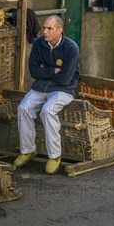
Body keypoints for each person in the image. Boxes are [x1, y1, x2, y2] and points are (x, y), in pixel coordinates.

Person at [13, 15, 80, 175]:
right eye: (44, 27)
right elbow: (33, 71)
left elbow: (65, 78)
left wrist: (44, 70)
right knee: (23, 108)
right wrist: (52, 70)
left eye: (49, 28)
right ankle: (28, 150)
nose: (45, 32)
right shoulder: (38, 44)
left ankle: (55, 155)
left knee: (47, 110)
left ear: (60, 30)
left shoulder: (71, 48)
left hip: (63, 90)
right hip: (41, 87)